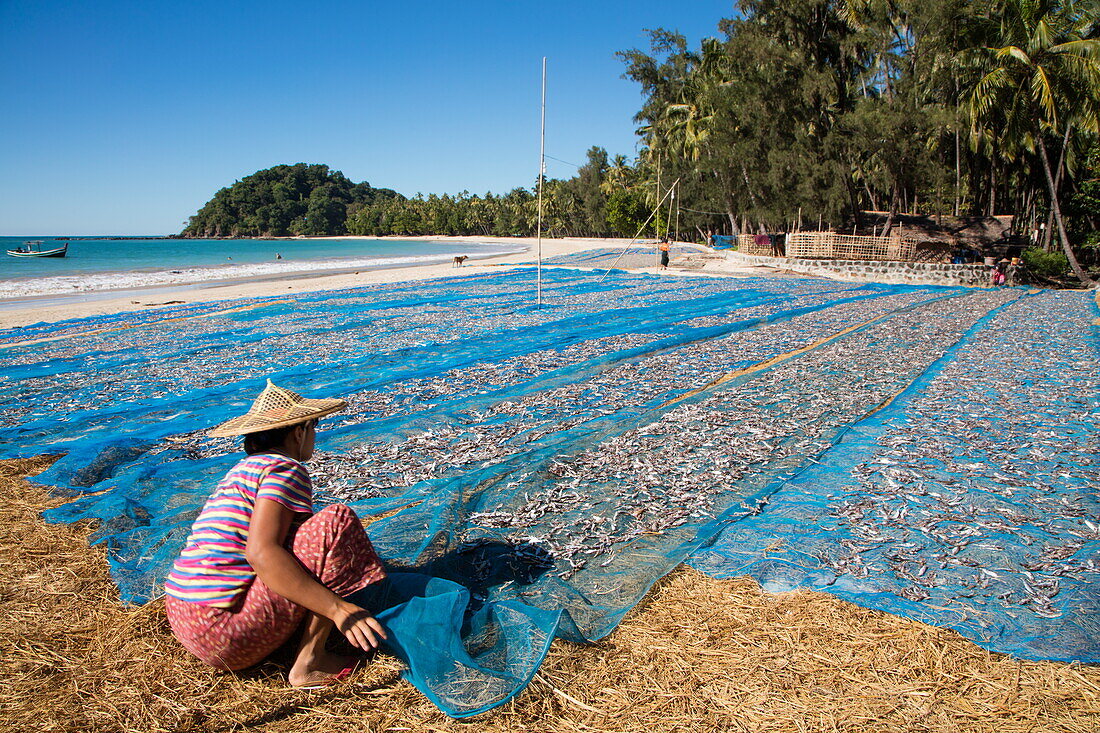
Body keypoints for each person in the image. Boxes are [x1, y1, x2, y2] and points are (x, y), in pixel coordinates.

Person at [164, 380, 388, 688]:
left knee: (303, 534)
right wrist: (338, 609)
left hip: (186, 619)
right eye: (313, 427)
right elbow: (261, 552)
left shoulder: (243, 470)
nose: (313, 436)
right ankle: (310, 662)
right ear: (299, 432)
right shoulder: (284, 468)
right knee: (336, 522)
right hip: (225, 633)